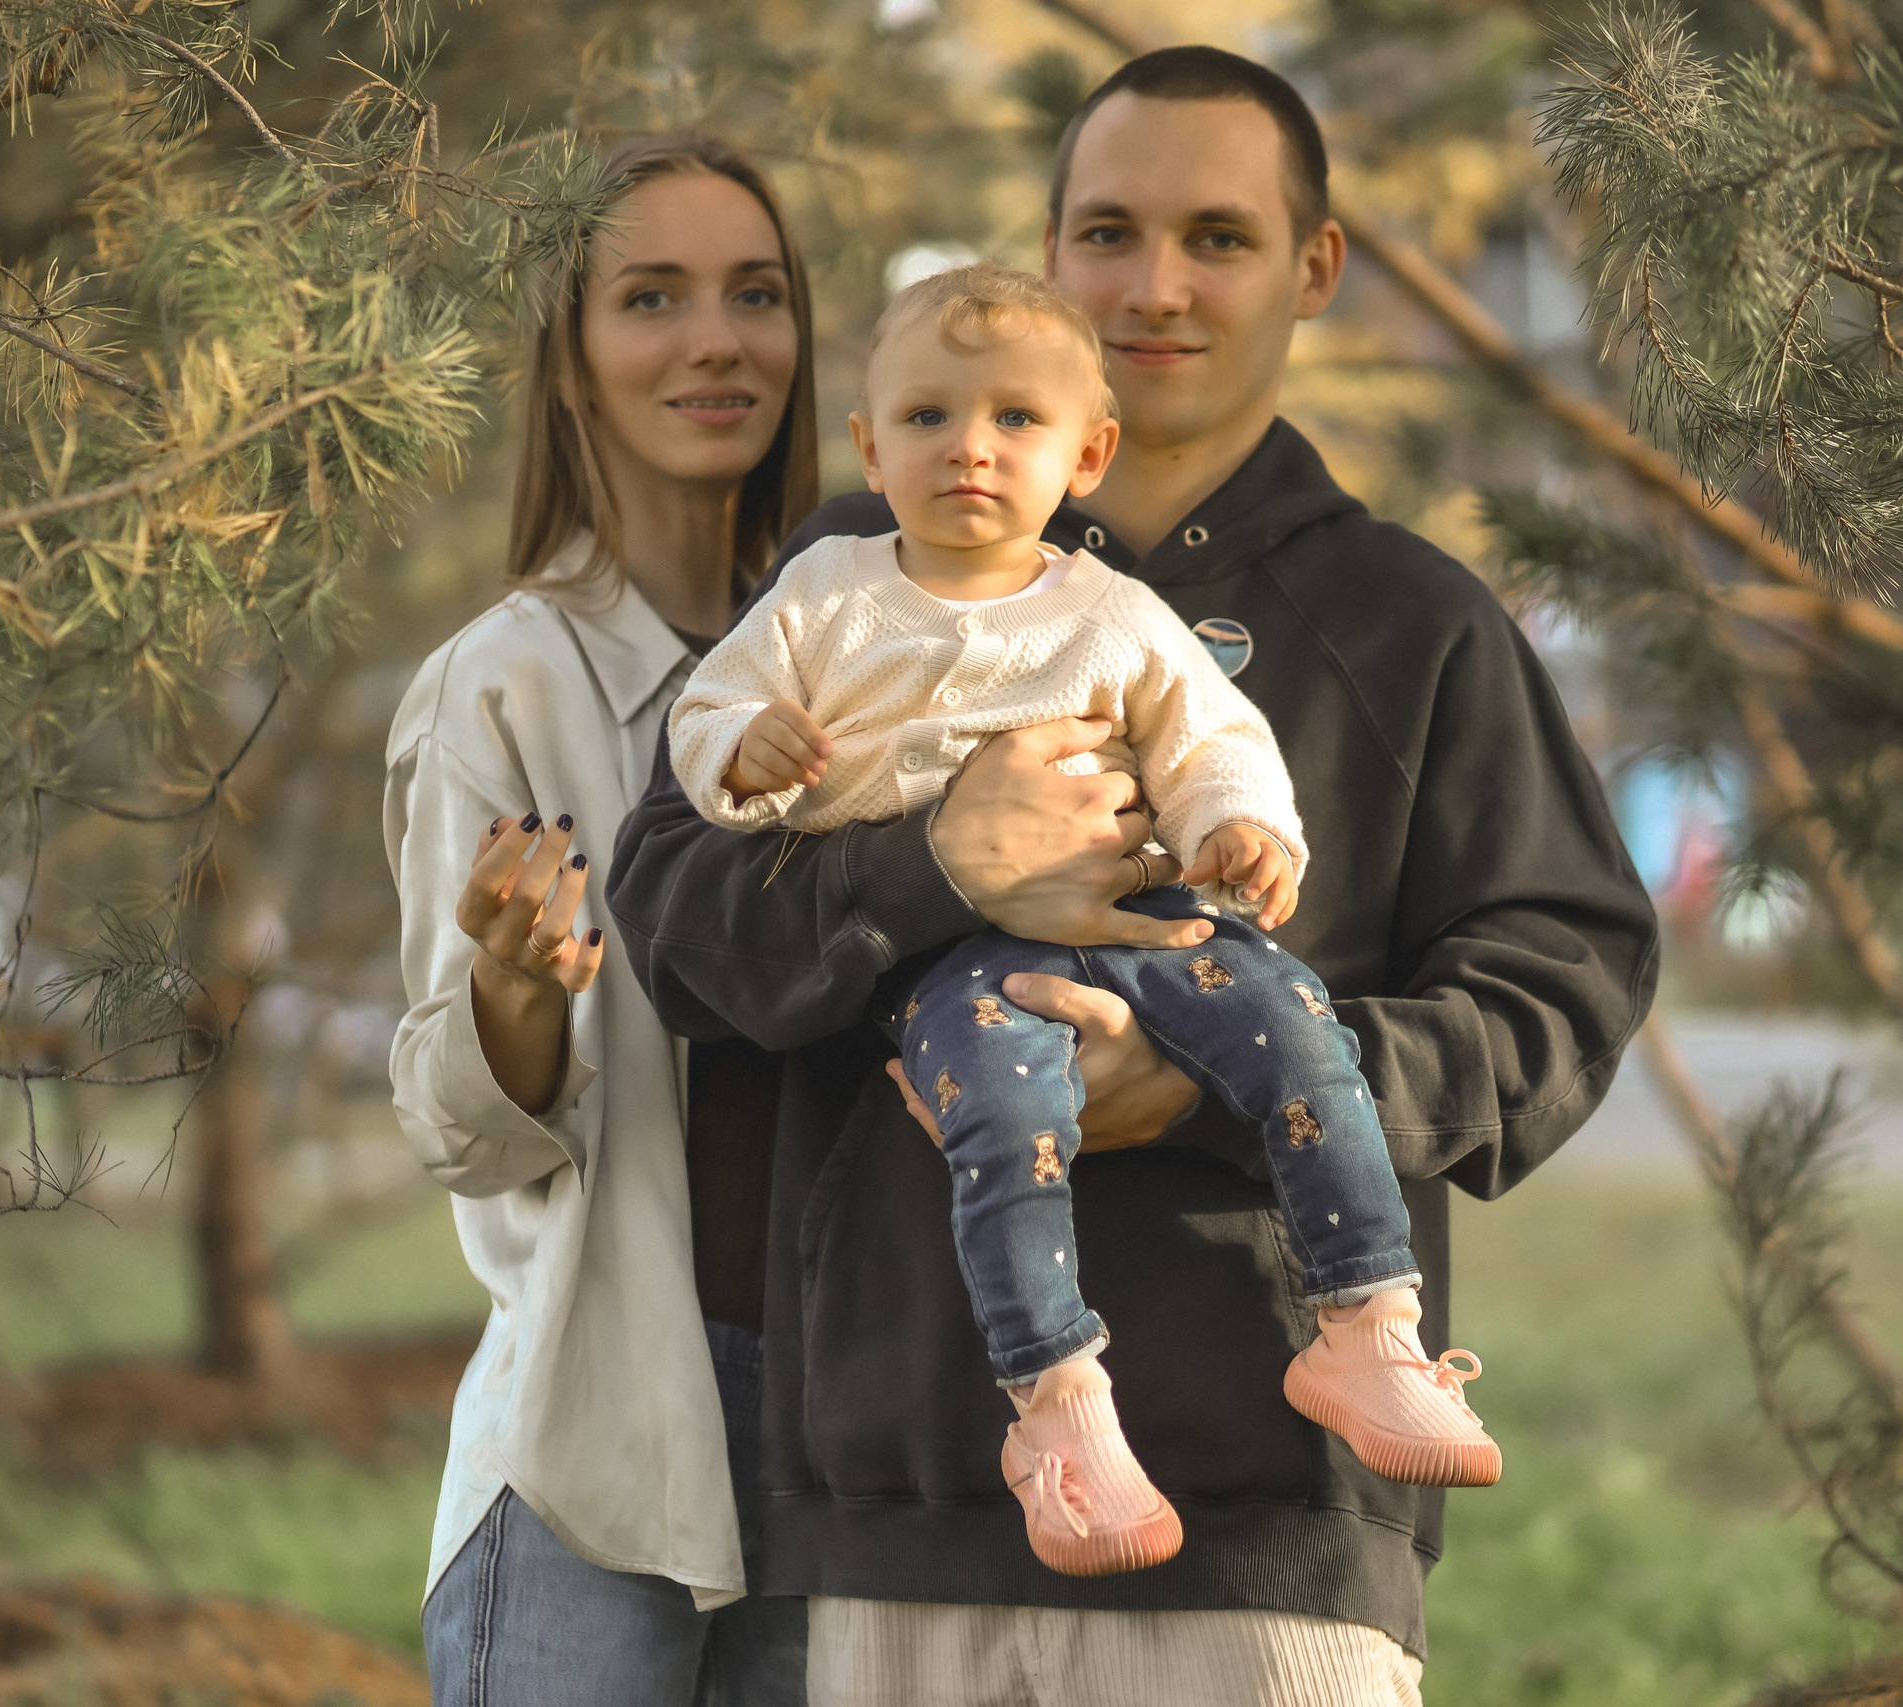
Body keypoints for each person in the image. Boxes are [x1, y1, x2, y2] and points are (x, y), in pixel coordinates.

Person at [610, 46, 1660, 1707]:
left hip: (1272, 1533)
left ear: (1315, 268)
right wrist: (929, 865)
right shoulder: (839, 581)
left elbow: (1562, 988)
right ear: (1048, 251)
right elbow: (669, 929)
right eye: (1107, 231)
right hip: (900, 1498)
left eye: (1219, 238)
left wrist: (1210, 1082)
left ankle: (1361, 1349)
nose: (1156, 284)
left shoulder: (1411, 627)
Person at [666, 262, 1501, 1580]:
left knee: (1298, 1025)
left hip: (1148, 913)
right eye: (929, 419)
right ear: (870, 450)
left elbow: (1210, 732)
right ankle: (1057, 1405)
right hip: (954, 952)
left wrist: (1243, 829)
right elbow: (704, 717)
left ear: (1087, 452)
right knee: (1004, 1118)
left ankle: (1366, 1326)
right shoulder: (826, 593)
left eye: (1015, 420)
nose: (971, 449)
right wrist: (746, 749)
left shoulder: (1110, 615)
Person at [383, 133, 818, 1707]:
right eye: (653, 296)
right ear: (569, 364)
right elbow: (459, 1128)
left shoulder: (871, 646)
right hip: (594, 1449)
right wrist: (513, 987)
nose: (716, 338)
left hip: (851, 1450)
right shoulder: (502, 684)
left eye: (755, 294)